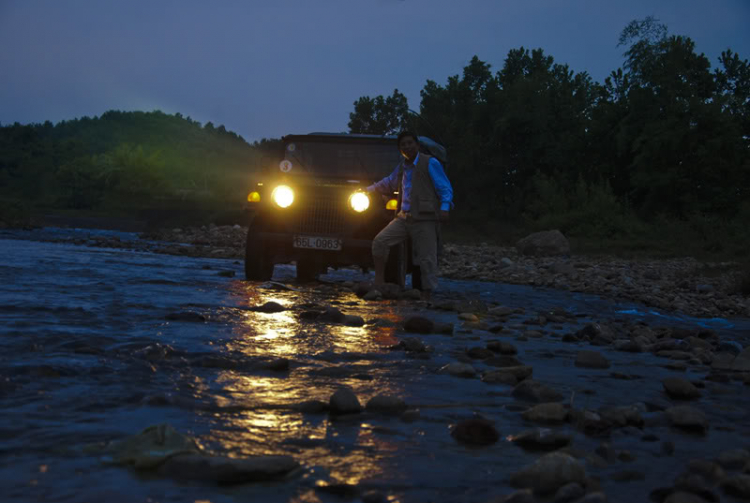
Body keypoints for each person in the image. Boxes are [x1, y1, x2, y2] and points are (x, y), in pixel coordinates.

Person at [366, 131, 454, 300]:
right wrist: (369, 190)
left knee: (427, 257)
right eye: (403, 145)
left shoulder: (430, 163)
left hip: (424, 217)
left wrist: (445, 207)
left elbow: (445, 188)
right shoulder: (402, 167)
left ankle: (427, 293)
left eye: (410, 143)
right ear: (400, 150)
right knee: (380, 241)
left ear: (417, 145)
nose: (407, 146)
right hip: (403, 217)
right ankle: (379, 282)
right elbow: (388, 182)